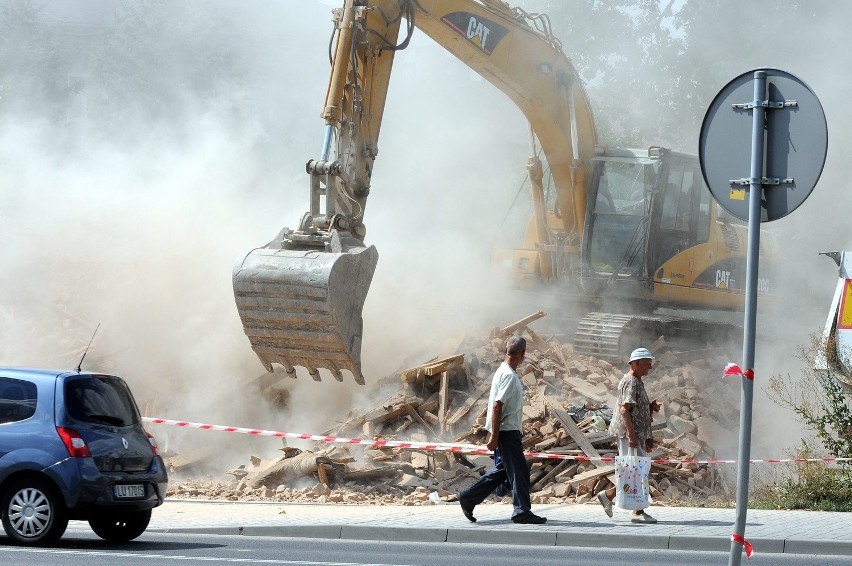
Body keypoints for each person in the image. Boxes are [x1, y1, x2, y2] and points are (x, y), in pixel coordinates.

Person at [458, 336, 546, 525]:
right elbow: (498, 405)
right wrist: (495, 436)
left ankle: (468, 498)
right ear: (522, 354)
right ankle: (521, 512)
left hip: (506, 430)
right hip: (506, 431)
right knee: (520, 471)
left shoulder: (503, 371)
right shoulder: (507, 375)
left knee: (503, 471)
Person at [597, 347, 661, 524]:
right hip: (629, 435)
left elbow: (634, 408)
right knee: (636, 471)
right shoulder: (631, 381)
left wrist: (650, 406)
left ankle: (609, 496)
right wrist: (632, 436)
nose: (649, 367)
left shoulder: (637, 382)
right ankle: (637, 512)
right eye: (647, 364)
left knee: (634, 471)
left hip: (635, 434)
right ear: (635, 363)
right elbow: (624, 411)